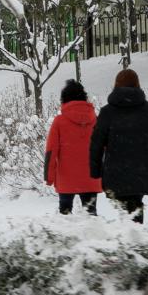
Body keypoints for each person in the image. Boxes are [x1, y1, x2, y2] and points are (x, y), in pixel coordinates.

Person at [89, 68, 148, 223]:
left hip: (115, 173)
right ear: (138, 85)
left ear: (116, 85)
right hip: (143, 172)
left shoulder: (107, 112)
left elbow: (96, 144)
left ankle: (130, 239)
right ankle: (135, 239)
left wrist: (95, 171)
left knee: (125, 208)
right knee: (135, 206)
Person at [43, 79, 102, 215]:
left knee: (65, 216)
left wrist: (49, 177)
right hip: (90, 178)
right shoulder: (95, 120)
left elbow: (51, 151)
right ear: (83, 97)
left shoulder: (59, 121)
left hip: (66, 179)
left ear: (64, 99)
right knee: (91, 217)